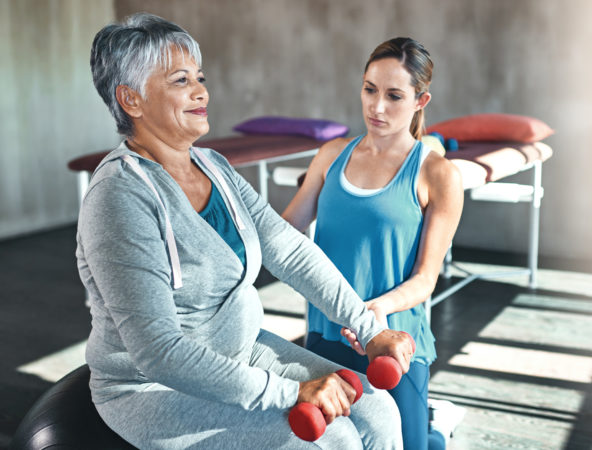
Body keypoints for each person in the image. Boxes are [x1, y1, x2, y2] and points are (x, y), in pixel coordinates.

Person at [78, 13, 413, 450]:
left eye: (199, 77)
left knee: (377, 407)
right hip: (152, 389)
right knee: (334, 439)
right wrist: (289, 393)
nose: (202, 92)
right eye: (181, 81)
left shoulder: (213, 166)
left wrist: (368, 329)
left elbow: (290, 251)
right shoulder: (119, 197)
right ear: (132, 100)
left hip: (241, 349)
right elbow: (158, 351)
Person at [282, 37, 464, 449]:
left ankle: (437, 429)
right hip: (325, 336)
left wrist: (373, 311)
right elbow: (285, 231)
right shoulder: (330, 156)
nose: (377, 107)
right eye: (370, 89)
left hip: (393, 341)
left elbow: (425, 279)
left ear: (421, 100)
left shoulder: (438, 174)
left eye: (394, 96)